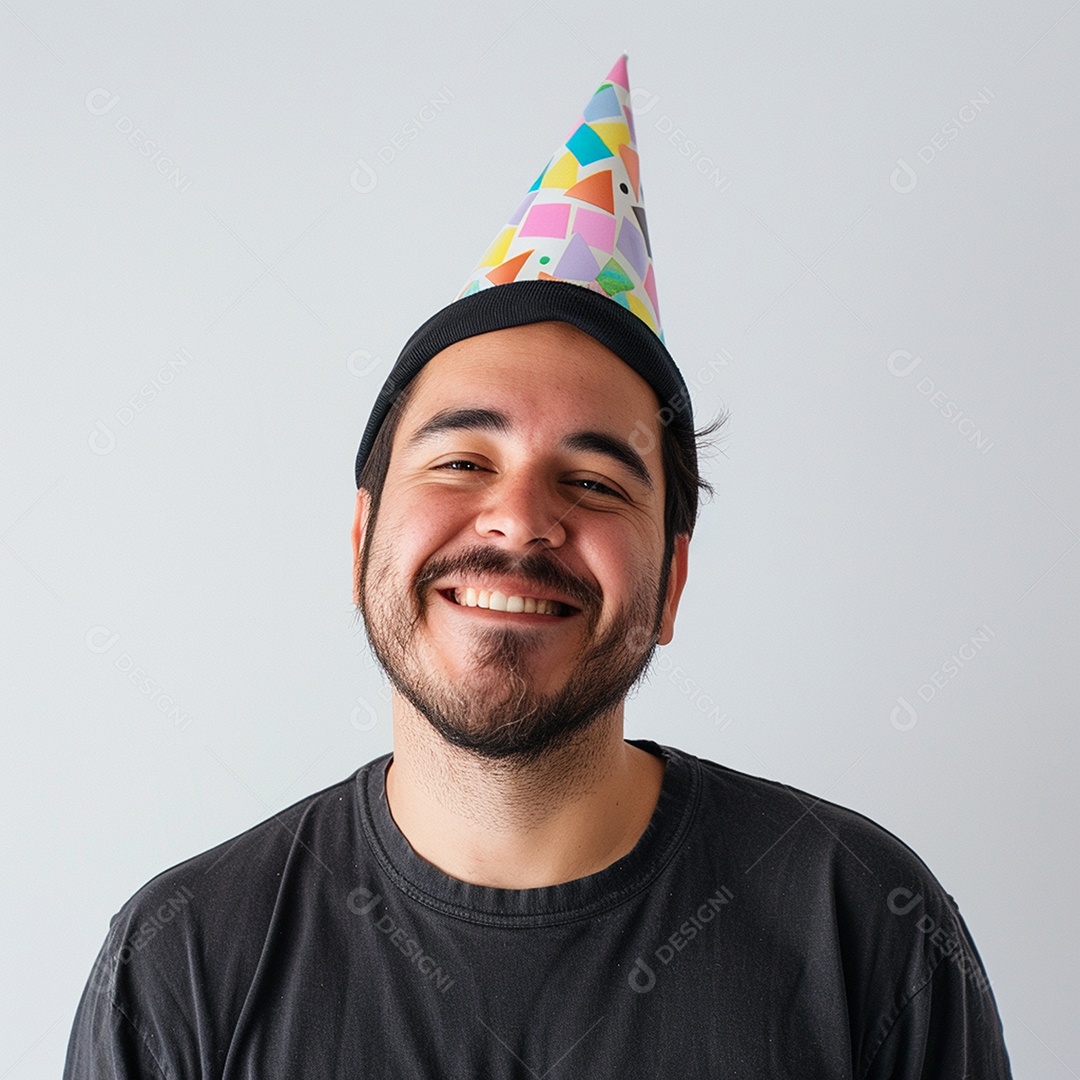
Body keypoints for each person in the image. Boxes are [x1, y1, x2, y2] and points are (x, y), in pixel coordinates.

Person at [65, 56, 1013, 1078]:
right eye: (463, 461)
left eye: (597, 483)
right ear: (362, 540)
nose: (518, 522)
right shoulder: (181, 965)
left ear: (674, 583)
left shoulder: (867, 928)